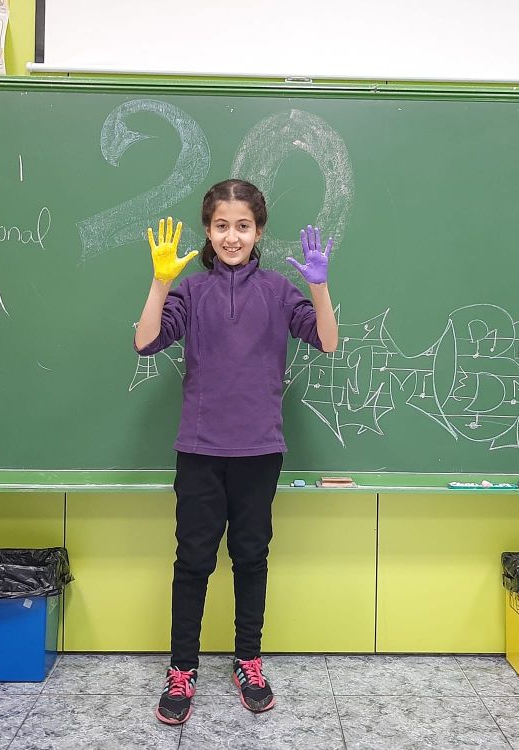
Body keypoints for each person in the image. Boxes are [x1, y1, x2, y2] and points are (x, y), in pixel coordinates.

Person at [133, 179, 338, 725]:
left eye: (242, 226)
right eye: (221, 226)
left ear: (259, 231)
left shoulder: (277, 290)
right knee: (193, 562)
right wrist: (160, 283)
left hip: (259, 450)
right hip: (200, 450)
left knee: (250, 559)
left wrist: (319, 287)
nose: (232, 237)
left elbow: (327, 340)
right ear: (207, 230)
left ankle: (248, 660)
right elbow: (146, 342)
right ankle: (182, 669)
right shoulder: (192, 291)